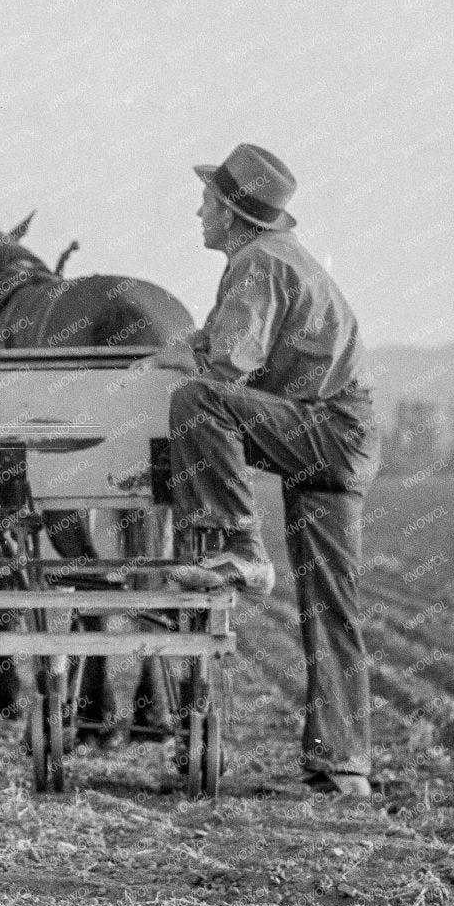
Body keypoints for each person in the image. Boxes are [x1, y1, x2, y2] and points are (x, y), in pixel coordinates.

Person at [151, 145, 380, 798]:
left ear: (231, 213)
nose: (198, 210)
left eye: (207, 202)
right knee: (331, 603)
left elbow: (226, 373)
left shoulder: (257, 264)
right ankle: (344, 767)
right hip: (345, 432)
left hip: (324, 428)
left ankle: (239, 547)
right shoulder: (281, 260)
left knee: (196, 403)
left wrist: (169, 368)